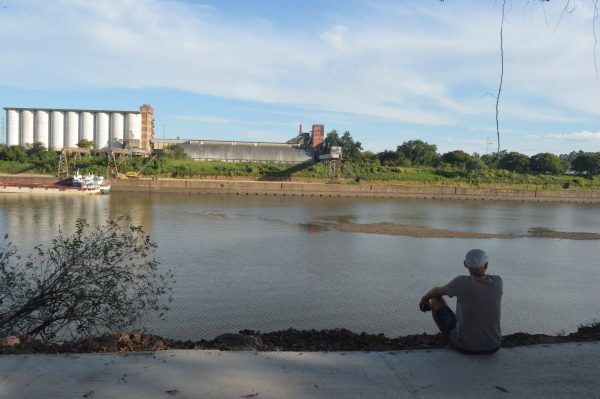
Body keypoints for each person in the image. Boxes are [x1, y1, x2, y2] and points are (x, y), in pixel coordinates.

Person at [419, 249, 503, 354]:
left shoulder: (461, 282)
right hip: (493, 346)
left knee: (435, 299)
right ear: (486, 265)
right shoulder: (498, 281)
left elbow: (437, 291)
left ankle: (448, 339)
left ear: (465, 264)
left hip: (464, 346)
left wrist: (424, 299)